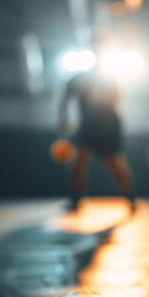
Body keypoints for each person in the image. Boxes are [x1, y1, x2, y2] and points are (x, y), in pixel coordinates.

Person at [57, 62, 136, 212]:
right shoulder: (76, 80)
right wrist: (63, 124)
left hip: (108, 125)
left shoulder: (109, 80)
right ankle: (75, 199)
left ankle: (130, 197)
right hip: (88, 125)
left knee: (114, 164)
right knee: (79, 162)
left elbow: (116, 97)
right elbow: (64, 102)